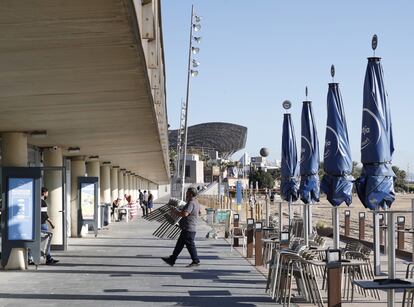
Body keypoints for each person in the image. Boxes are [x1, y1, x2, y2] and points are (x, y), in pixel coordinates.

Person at [161, 187, 200, 267]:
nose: (186, 194)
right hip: (187, 227)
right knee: (180, 244)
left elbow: (185, 214)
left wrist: (175, 211)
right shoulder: (196, 202)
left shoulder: (191, 203)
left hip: (188, 228)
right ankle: (172, 259)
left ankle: (195, 261)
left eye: (187, 193)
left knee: (190, 245)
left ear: (191, 194)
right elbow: (199, 211)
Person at [40, 187, 59, 264]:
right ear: (44, 193)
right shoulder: (43, 202)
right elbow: (44, 215)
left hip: (35, 225)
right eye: (47, 193)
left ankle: (30, 258)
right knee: (46, 241)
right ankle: (48, 258)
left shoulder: (35, 201)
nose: (47, 194)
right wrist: (51, 222)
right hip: (42, 224)